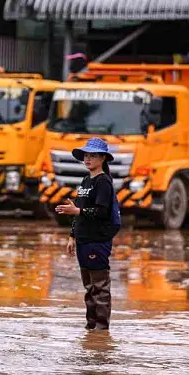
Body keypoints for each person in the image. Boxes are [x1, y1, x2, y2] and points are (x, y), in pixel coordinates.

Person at [55, 137, 121, 330]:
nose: (88, 159)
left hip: (97, 240)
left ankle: (101, 330)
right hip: (83, 240)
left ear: (103, 159)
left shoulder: (103, 183)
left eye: (93, 156)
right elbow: (79, 209)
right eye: (86, 155)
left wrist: (78, 212)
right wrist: (72, 236)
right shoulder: (85, 181)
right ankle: (90, 327)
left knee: (99, 286)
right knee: (89, 287)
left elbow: (101, 211)